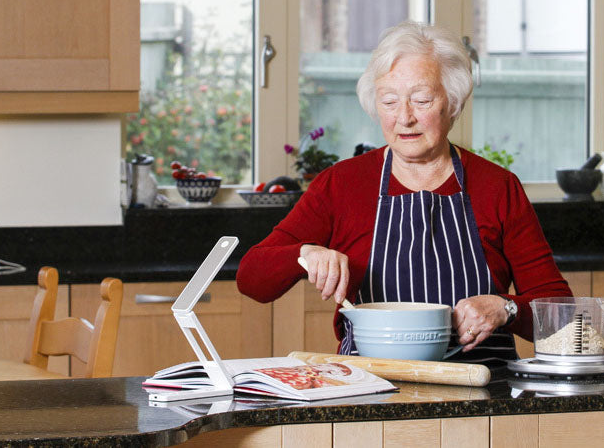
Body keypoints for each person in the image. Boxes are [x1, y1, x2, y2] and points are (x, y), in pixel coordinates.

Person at [237, 21, 571, 365]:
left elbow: (560, 312)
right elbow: (252, 280)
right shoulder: (342, 184)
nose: (404, 118)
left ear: (452, 103)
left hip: (482, 391)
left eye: (422, 100)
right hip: (371, 393)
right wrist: (305, 253)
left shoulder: (497, 187)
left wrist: (506, 308)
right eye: (390, 101)